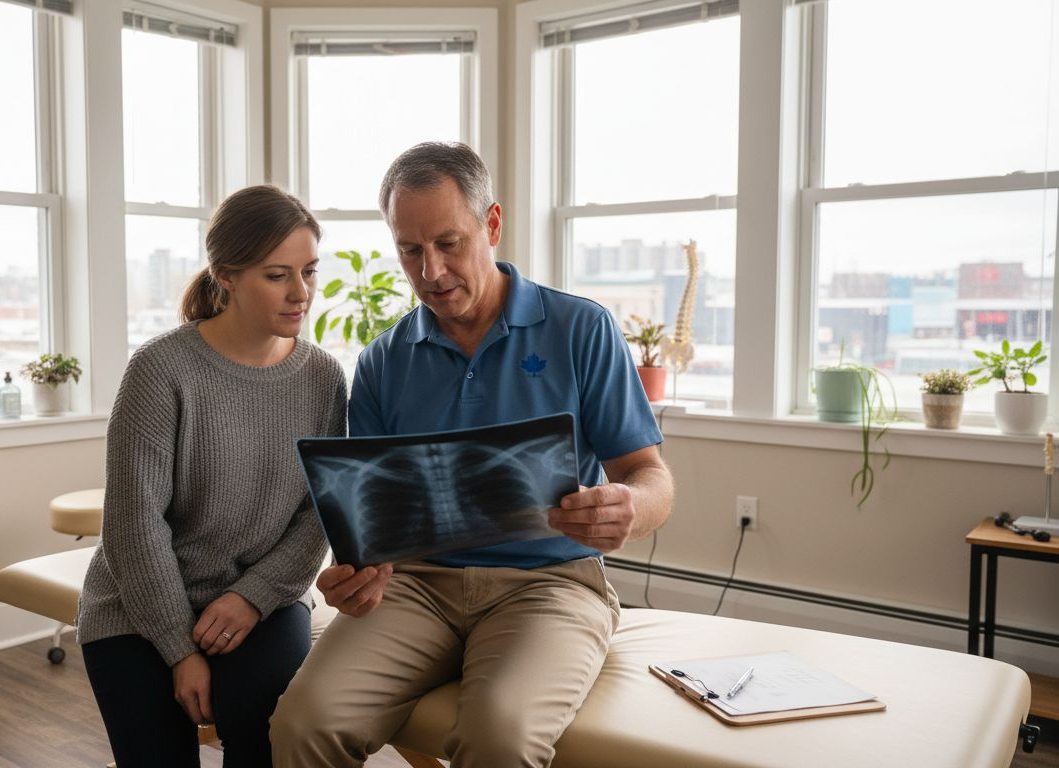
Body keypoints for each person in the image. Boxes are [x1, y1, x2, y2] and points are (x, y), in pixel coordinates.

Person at [270, 142, 675, 768]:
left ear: (491, 225)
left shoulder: (581, 329)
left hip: (549, 585)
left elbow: (649, 475)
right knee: (302, 723)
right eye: (410, 249)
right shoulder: (382, 362)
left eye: (448, 243)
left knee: (501, 735)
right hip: (418, 587)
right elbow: (375, 522)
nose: (430, 270)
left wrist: (630, 507)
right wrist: (359, 573)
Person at [76, 185, 346, 768]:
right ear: (226, 275)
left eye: (309, 272)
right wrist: (178, 648)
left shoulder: (324, 378)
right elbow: (132, 524)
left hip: (263, 603)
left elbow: (318, 514)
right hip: (136, 607)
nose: (301, 294)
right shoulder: (159, 370)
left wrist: (251, 598)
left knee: (262, 730)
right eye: (277, 275)